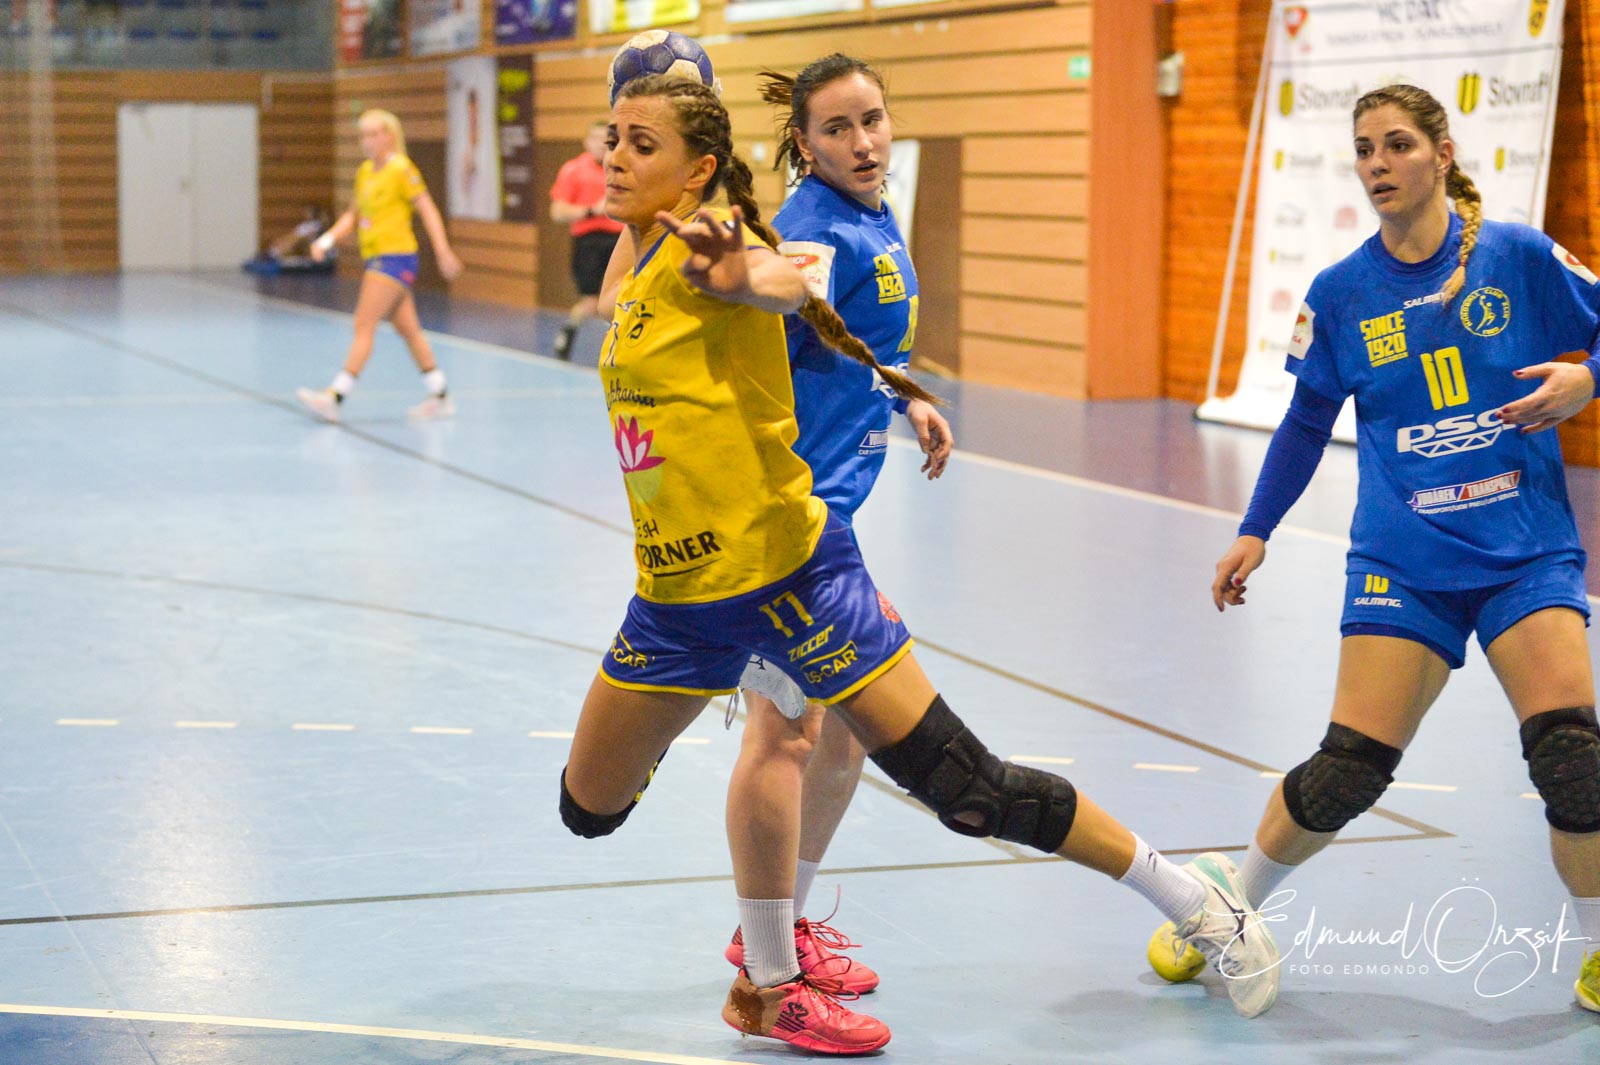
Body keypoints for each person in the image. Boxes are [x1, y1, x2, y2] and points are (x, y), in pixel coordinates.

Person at [560, 73, 1281, 1056]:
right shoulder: (641, 254)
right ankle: (770, 944)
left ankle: (1192, 897)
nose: (612, 157)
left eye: (639, 145)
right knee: (588, 809)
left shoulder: (726, 253)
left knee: (964, 787)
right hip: (676, 601)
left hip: (794, 576)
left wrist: (741, 279)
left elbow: (783, 282)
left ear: (698, 172)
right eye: (612, 138)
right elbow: (631, 302)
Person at [1146, 84, 1600, 1013]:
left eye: (1397, 144)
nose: (1378, 164)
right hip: (1405, 559)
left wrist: (1587, 378)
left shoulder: (1516, 256)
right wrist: (1255, 528)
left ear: (1442, 153)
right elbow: (1306, 421)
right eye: (1364, 148)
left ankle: (1596, 950)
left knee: (1574, 762)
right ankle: (1227, 905)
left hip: (1523, 552)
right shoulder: (1342, 294)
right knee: (1349, 770)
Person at [715, 53, 952, 998]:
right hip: (789, 524)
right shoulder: (812, 230)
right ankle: (763, 967)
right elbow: (759, 339)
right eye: (838, 128)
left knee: (844, 736)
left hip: (833, 516)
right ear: (804, 144)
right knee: (784, 737)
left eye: (873, 120)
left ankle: (783, 929)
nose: (863, 141)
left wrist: (905, 395)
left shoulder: (875, 212)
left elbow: (853, 339)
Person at [297, 109, 464, 422]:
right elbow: (353, 216)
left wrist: (443, 250)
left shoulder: (401, 169)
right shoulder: (365, 172)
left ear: (389, 136)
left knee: (364, 324)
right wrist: (326, 241)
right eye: (364, 135)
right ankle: (440, 394)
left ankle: (336, 395)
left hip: (395, 257)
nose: (368, 141)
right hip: (375, 257)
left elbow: (427, 209)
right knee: (408, 329)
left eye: (374, 134)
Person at [548, 120, 624, 361]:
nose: (600, 145)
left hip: (619, 241)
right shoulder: (573, 170)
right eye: (595, 138)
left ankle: (620, 348)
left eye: (606, 140)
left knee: (622, 297)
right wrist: (592, 210)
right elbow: (557, 212)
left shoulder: (620, 168)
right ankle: (569, 330)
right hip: (588, 242)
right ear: (586, 142)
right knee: (591, 301)